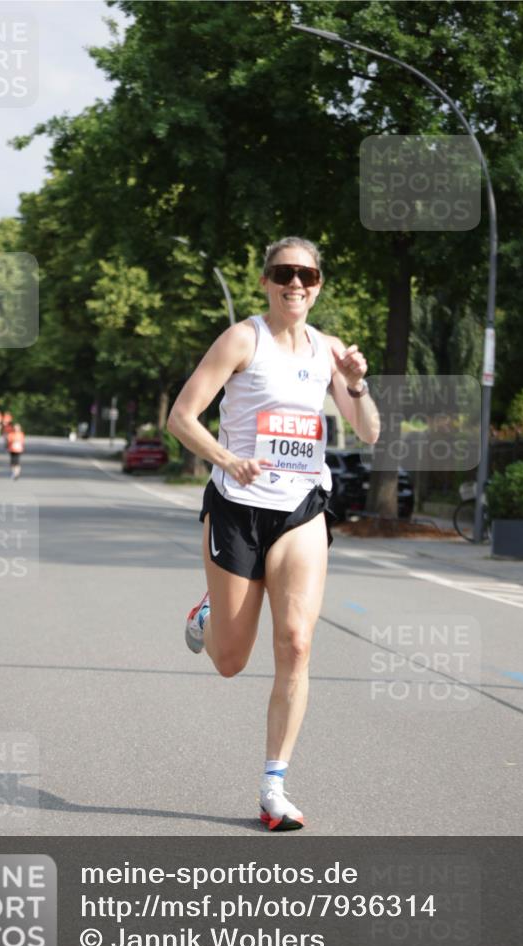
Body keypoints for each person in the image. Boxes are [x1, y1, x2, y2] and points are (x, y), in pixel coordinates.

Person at [167, 236, 380, 832]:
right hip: (237, 506)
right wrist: (227, 458)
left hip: (300, 508)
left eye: (307, 276)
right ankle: (210, 615)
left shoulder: (331, 350)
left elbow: (368, 432)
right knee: (232, 661)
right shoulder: (242, 339)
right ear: (265, 280)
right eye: (284, 273)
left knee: (296, 641)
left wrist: (358, 386)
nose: (296, 284)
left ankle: (273, 786)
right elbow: (182, 417)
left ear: (318, 284)